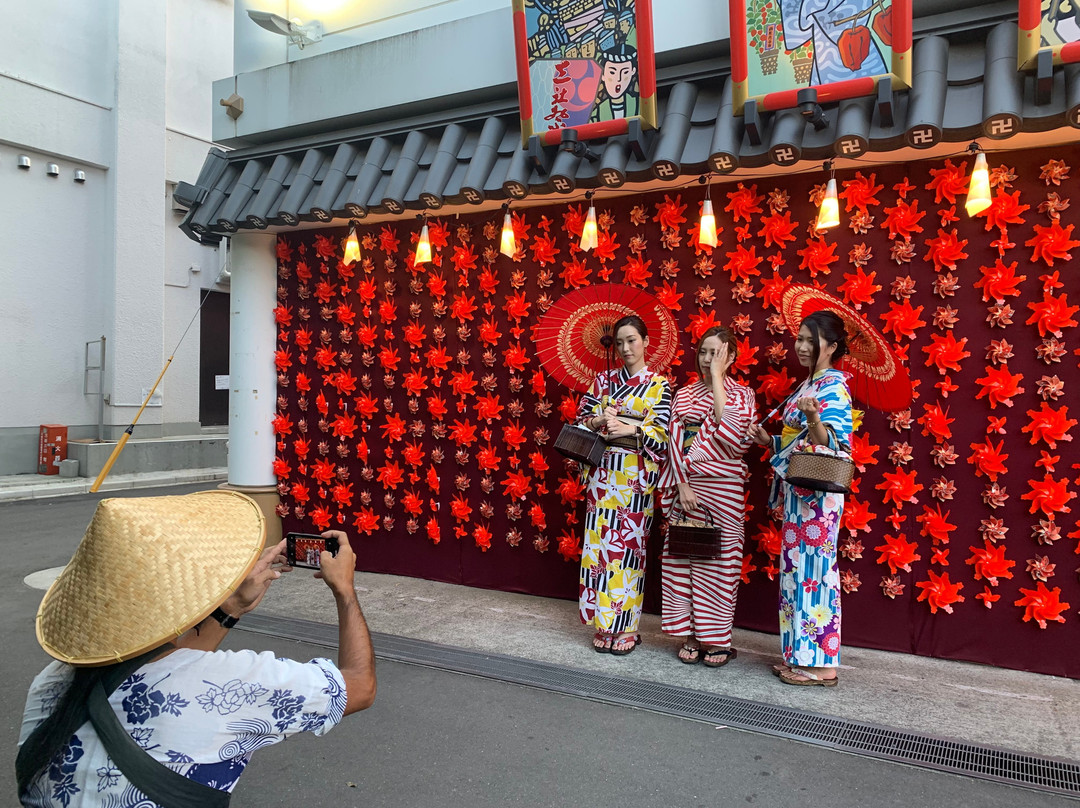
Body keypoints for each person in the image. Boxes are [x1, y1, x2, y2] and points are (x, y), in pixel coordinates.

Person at [17, 490, 376, 806]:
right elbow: (358, 686)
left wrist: (232, 607)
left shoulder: (50, 683)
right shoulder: (229, 685)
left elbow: (166, 662)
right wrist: (344, 590)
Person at [747, 311, 853, 687]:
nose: (803, 347)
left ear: (833, 346)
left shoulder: (834, 387)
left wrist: (813, 420)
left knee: (817, 575)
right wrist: (769, 441)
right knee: (797, 572)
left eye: (811, 340)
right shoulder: (807, 385)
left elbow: (833, 444)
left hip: (819, 495)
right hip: (800, 488)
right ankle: (800, 656)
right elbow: (798, 444)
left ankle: (823, 665)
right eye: (800, 339)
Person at [658, 326, 756, 668]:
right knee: (683, 559)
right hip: (687, 485)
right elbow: (672, 441)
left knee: (719, 562)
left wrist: (716, 379)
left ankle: (715, 638)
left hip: (723, 487)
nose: (706, 359)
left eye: (715, 353)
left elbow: (733, 439)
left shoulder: (743, 395)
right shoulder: (682, 394)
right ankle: (688, 634)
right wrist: (682, 483)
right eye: (703, 351)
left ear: (730, 357)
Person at [575, 314, 671, 655]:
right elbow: (581, 420)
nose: (625, 348)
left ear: (645, 342)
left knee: (628, 551)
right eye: (619, 343)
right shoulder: (603, 381)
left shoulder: (659, 386)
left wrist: (631, 429)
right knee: (600, 549)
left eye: (632, 340)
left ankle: (627, 627)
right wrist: (599, 419)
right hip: (602, 476)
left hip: (634, 477)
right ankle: (604, 624)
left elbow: (662, 433)